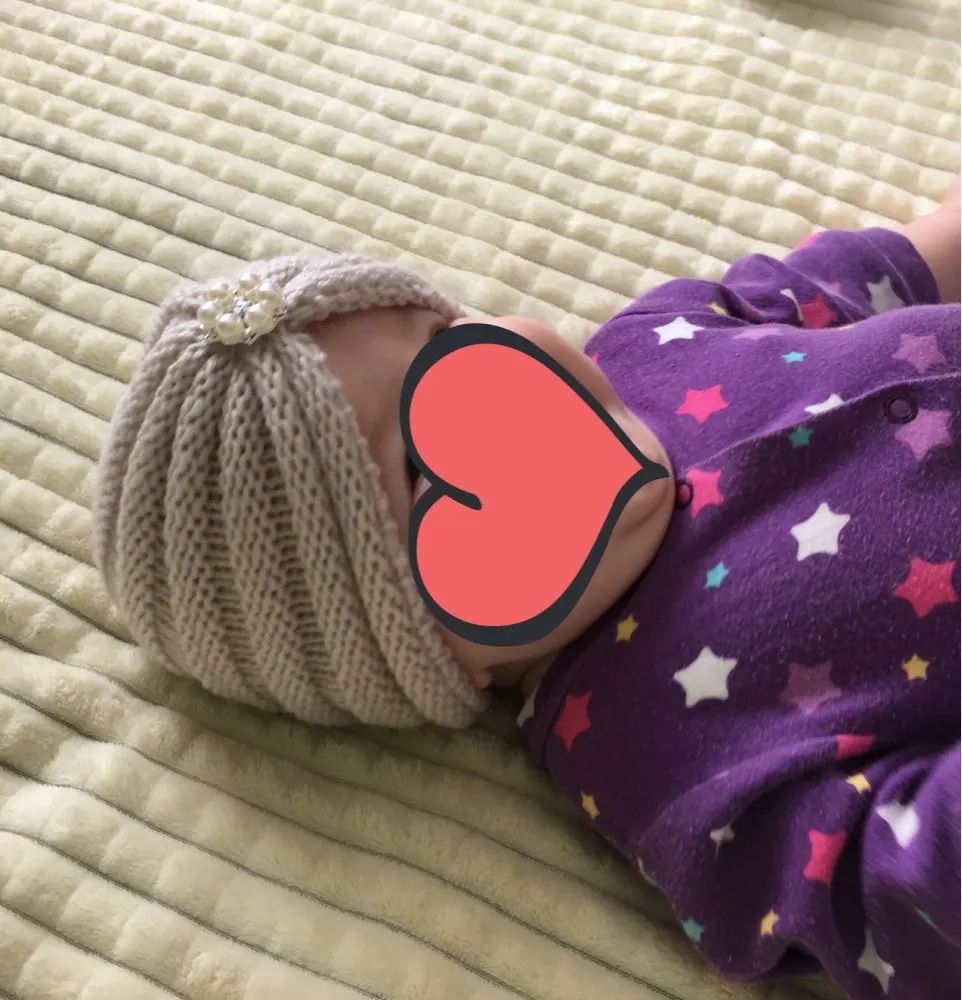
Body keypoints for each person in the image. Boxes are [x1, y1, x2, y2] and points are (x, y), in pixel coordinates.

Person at [93, 176, 961, 1000]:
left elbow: (863, 274)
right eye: (423, 468)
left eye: (446, 341)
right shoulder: (659, 754)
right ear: (419, 653)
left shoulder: (650, 340)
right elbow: (904, 892)